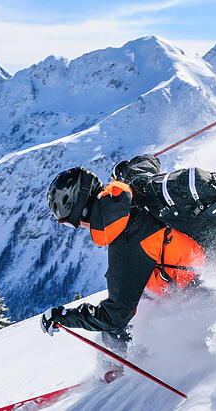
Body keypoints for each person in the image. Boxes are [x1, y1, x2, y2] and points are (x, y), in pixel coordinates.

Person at [40, 155, 206, 373]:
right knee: (139, 302)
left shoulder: (127, 243)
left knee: (113, 328)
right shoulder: (133, 183)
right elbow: (147, 161)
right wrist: (124, 169)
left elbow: (114, 316)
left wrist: (63, 317)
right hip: (207, 252)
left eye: (73, 223)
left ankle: (123, 373)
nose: (79, 227)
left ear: (81, 211)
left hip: (194, 288)